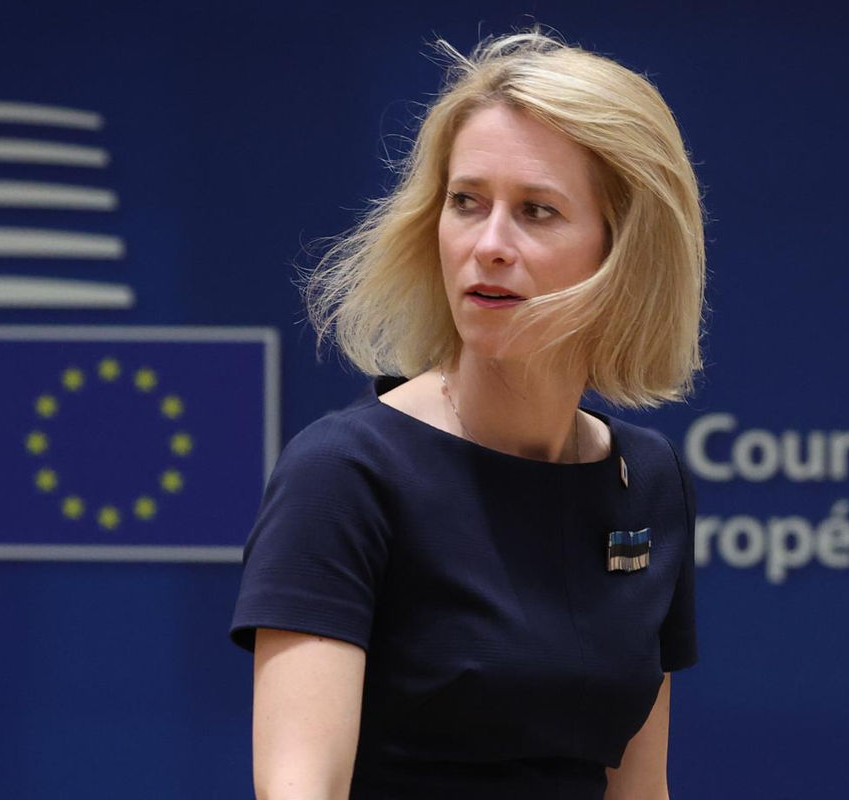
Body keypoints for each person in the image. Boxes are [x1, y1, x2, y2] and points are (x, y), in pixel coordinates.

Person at [230, 28, 705, 800]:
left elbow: (641, 790)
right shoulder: (344, 474)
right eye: (466, 203)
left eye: (537, 211)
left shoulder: (646, 480)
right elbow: (299, 787)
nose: (489, 244)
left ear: (623, 250)